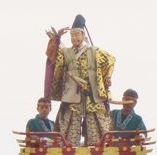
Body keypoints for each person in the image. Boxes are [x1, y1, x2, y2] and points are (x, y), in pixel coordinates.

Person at [45, 15, 114, 146]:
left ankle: (97, 147)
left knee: (97, 122)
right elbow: (53, 55)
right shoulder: (66, 52)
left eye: (77, 35)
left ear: (83, 35)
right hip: (72, 94)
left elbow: (110, 61)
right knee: (69, 122)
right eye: (72, 36)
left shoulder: (94, 51)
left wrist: (106, 78)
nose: (74, 38)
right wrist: (56, 38)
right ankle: (68, 147)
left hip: (91, 93)